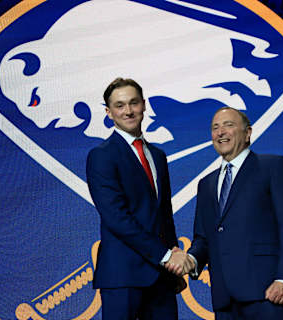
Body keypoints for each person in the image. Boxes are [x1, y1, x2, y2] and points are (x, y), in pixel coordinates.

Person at [167, 107, 283, 319]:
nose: (220, 132)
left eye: (228, 125)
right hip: (225, 299)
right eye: (215, 127)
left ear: (247, 133)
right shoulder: (206, 184)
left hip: (268, 293)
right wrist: (191, 259)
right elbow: (203, 238)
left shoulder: (273, 167)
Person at [86, 77, 187, 320]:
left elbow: (164, 213)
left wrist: (174, 253)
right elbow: (117, 218)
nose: (128, 111)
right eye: (120, 105)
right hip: (123, 276)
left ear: (144, 105)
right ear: (109, 112)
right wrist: (165, 256)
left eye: (133, 103)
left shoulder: (158, 155)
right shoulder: (101, 156)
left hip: (162, 275)